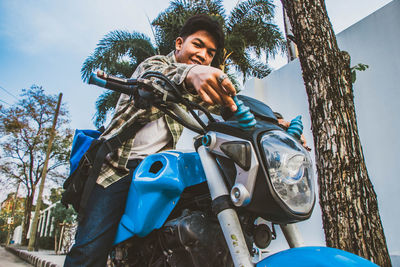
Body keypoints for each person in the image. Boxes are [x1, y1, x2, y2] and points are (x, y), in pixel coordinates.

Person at [64, 14, 236, 266]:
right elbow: (158, 77)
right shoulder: (155, 66)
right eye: (197, 45)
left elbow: (229, 105)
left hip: (154, 173)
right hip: (117, 170)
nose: (203, 55)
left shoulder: (194, 88)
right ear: (179, 44)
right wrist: (193, 72)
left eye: (210, 53)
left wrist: (271, 120)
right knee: (88, 252)